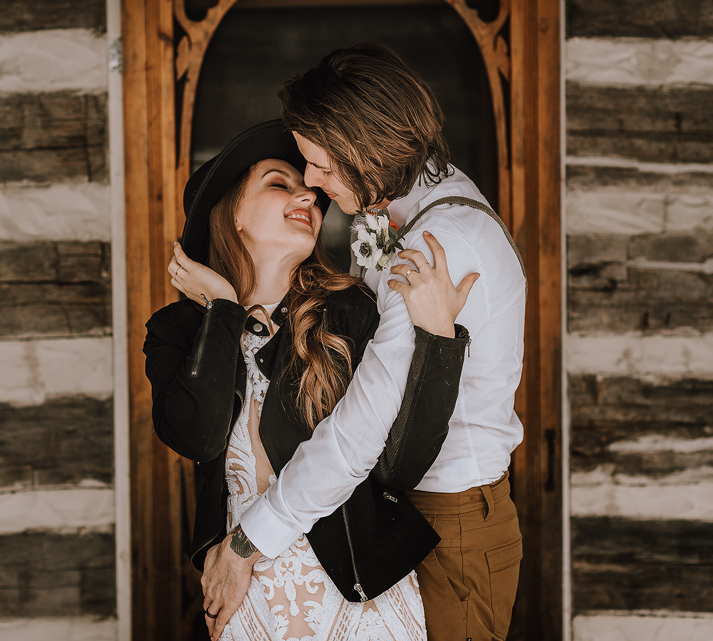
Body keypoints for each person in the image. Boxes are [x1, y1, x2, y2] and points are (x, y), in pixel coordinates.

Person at [198, 45, 527, 641]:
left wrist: (248, 541)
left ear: (365, 147)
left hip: (451, 518)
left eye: (320, 166)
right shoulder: (404, 210)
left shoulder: (440, 244)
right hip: (399, 514)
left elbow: (360, 429)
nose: (315, 186)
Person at [143, 120, 475, 640]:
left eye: (313, 192)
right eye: (280, 183)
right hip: (244, 592)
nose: (309, 197)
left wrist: (438, 341)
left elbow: (403, 460)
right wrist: (226, 311)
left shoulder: (348, 311)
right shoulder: (177, 332)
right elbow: (197, 434)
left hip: (356, 593)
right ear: (230, 212)